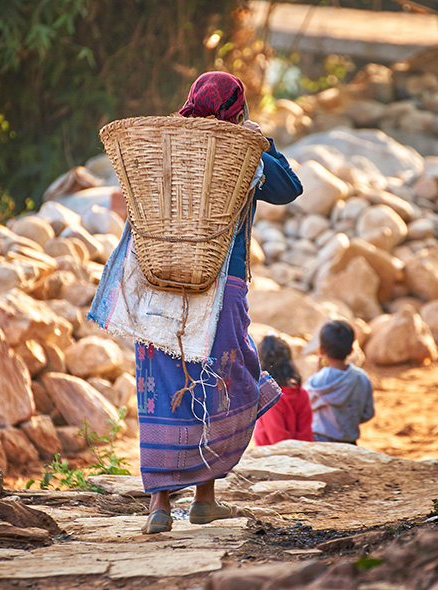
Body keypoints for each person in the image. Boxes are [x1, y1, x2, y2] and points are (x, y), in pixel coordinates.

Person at [93, 72, 303, 534]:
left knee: (161, 389)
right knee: (221, 382)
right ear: (238, 109)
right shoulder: (240, 152)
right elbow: (290, 189)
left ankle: (160, 508)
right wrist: (263, 141)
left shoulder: (163, 141)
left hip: (152, 286)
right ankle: (204, 498)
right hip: (220, 285)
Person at [305, 320, 374, 445]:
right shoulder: (361, 378)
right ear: (351, 350)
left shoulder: (316, 381)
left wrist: (318, 373)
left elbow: (306, 406)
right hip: (349, 443)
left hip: (319, 441)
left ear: (321, 350)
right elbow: (368, 413)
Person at [254, 334, 314, 446]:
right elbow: (306, 437)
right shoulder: (301, 393)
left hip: (271, 460)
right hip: (302, 457)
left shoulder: (269, 398)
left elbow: (279, 442)